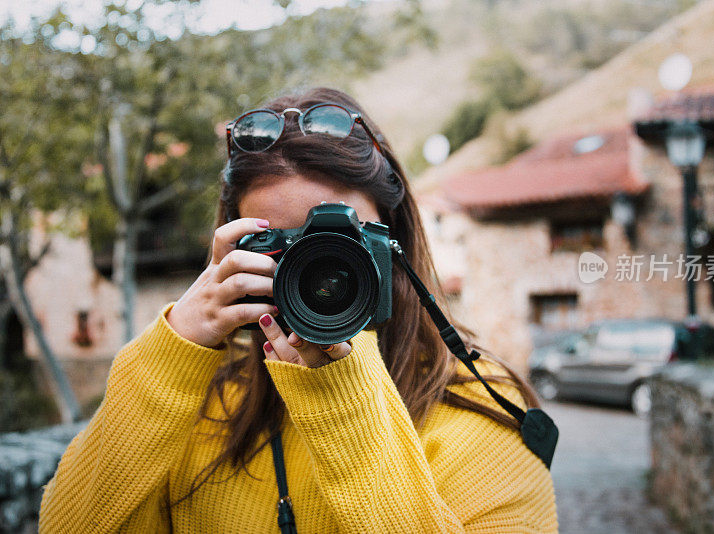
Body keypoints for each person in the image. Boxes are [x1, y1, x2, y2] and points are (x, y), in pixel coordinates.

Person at [38, 87, 558, 533]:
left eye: (337, 241)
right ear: (235, 250)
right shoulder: (193, 406)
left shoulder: (478, 408)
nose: (312, 271)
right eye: (277, 243)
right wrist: (169, 354)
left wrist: (344, 400)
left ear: (392, 243)